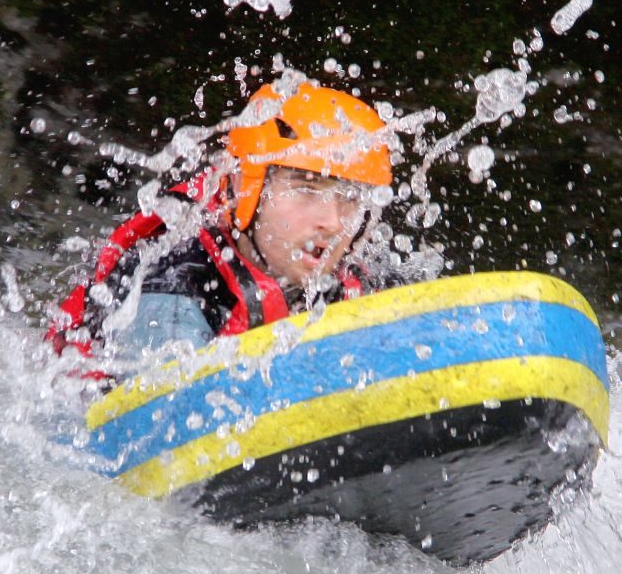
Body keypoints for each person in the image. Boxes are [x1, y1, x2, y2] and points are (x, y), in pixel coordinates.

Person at [47, 80, 393, 367]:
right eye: (306, 188)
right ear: (245, 185)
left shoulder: (352, 275)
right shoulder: (174, 292)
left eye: (349, 197)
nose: (333, 222)